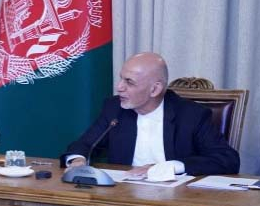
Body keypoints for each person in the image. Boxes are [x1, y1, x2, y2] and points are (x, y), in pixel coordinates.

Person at [61, 52, 239, 176]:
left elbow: (227, 159)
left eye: (129, 82)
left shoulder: (191, 115)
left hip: (176, 200)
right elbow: (84, 144)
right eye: (121, 78)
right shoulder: (114, 108)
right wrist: (78, 161)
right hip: (123, 196)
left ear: (155, 89)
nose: (119, 87)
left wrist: (171, 167)